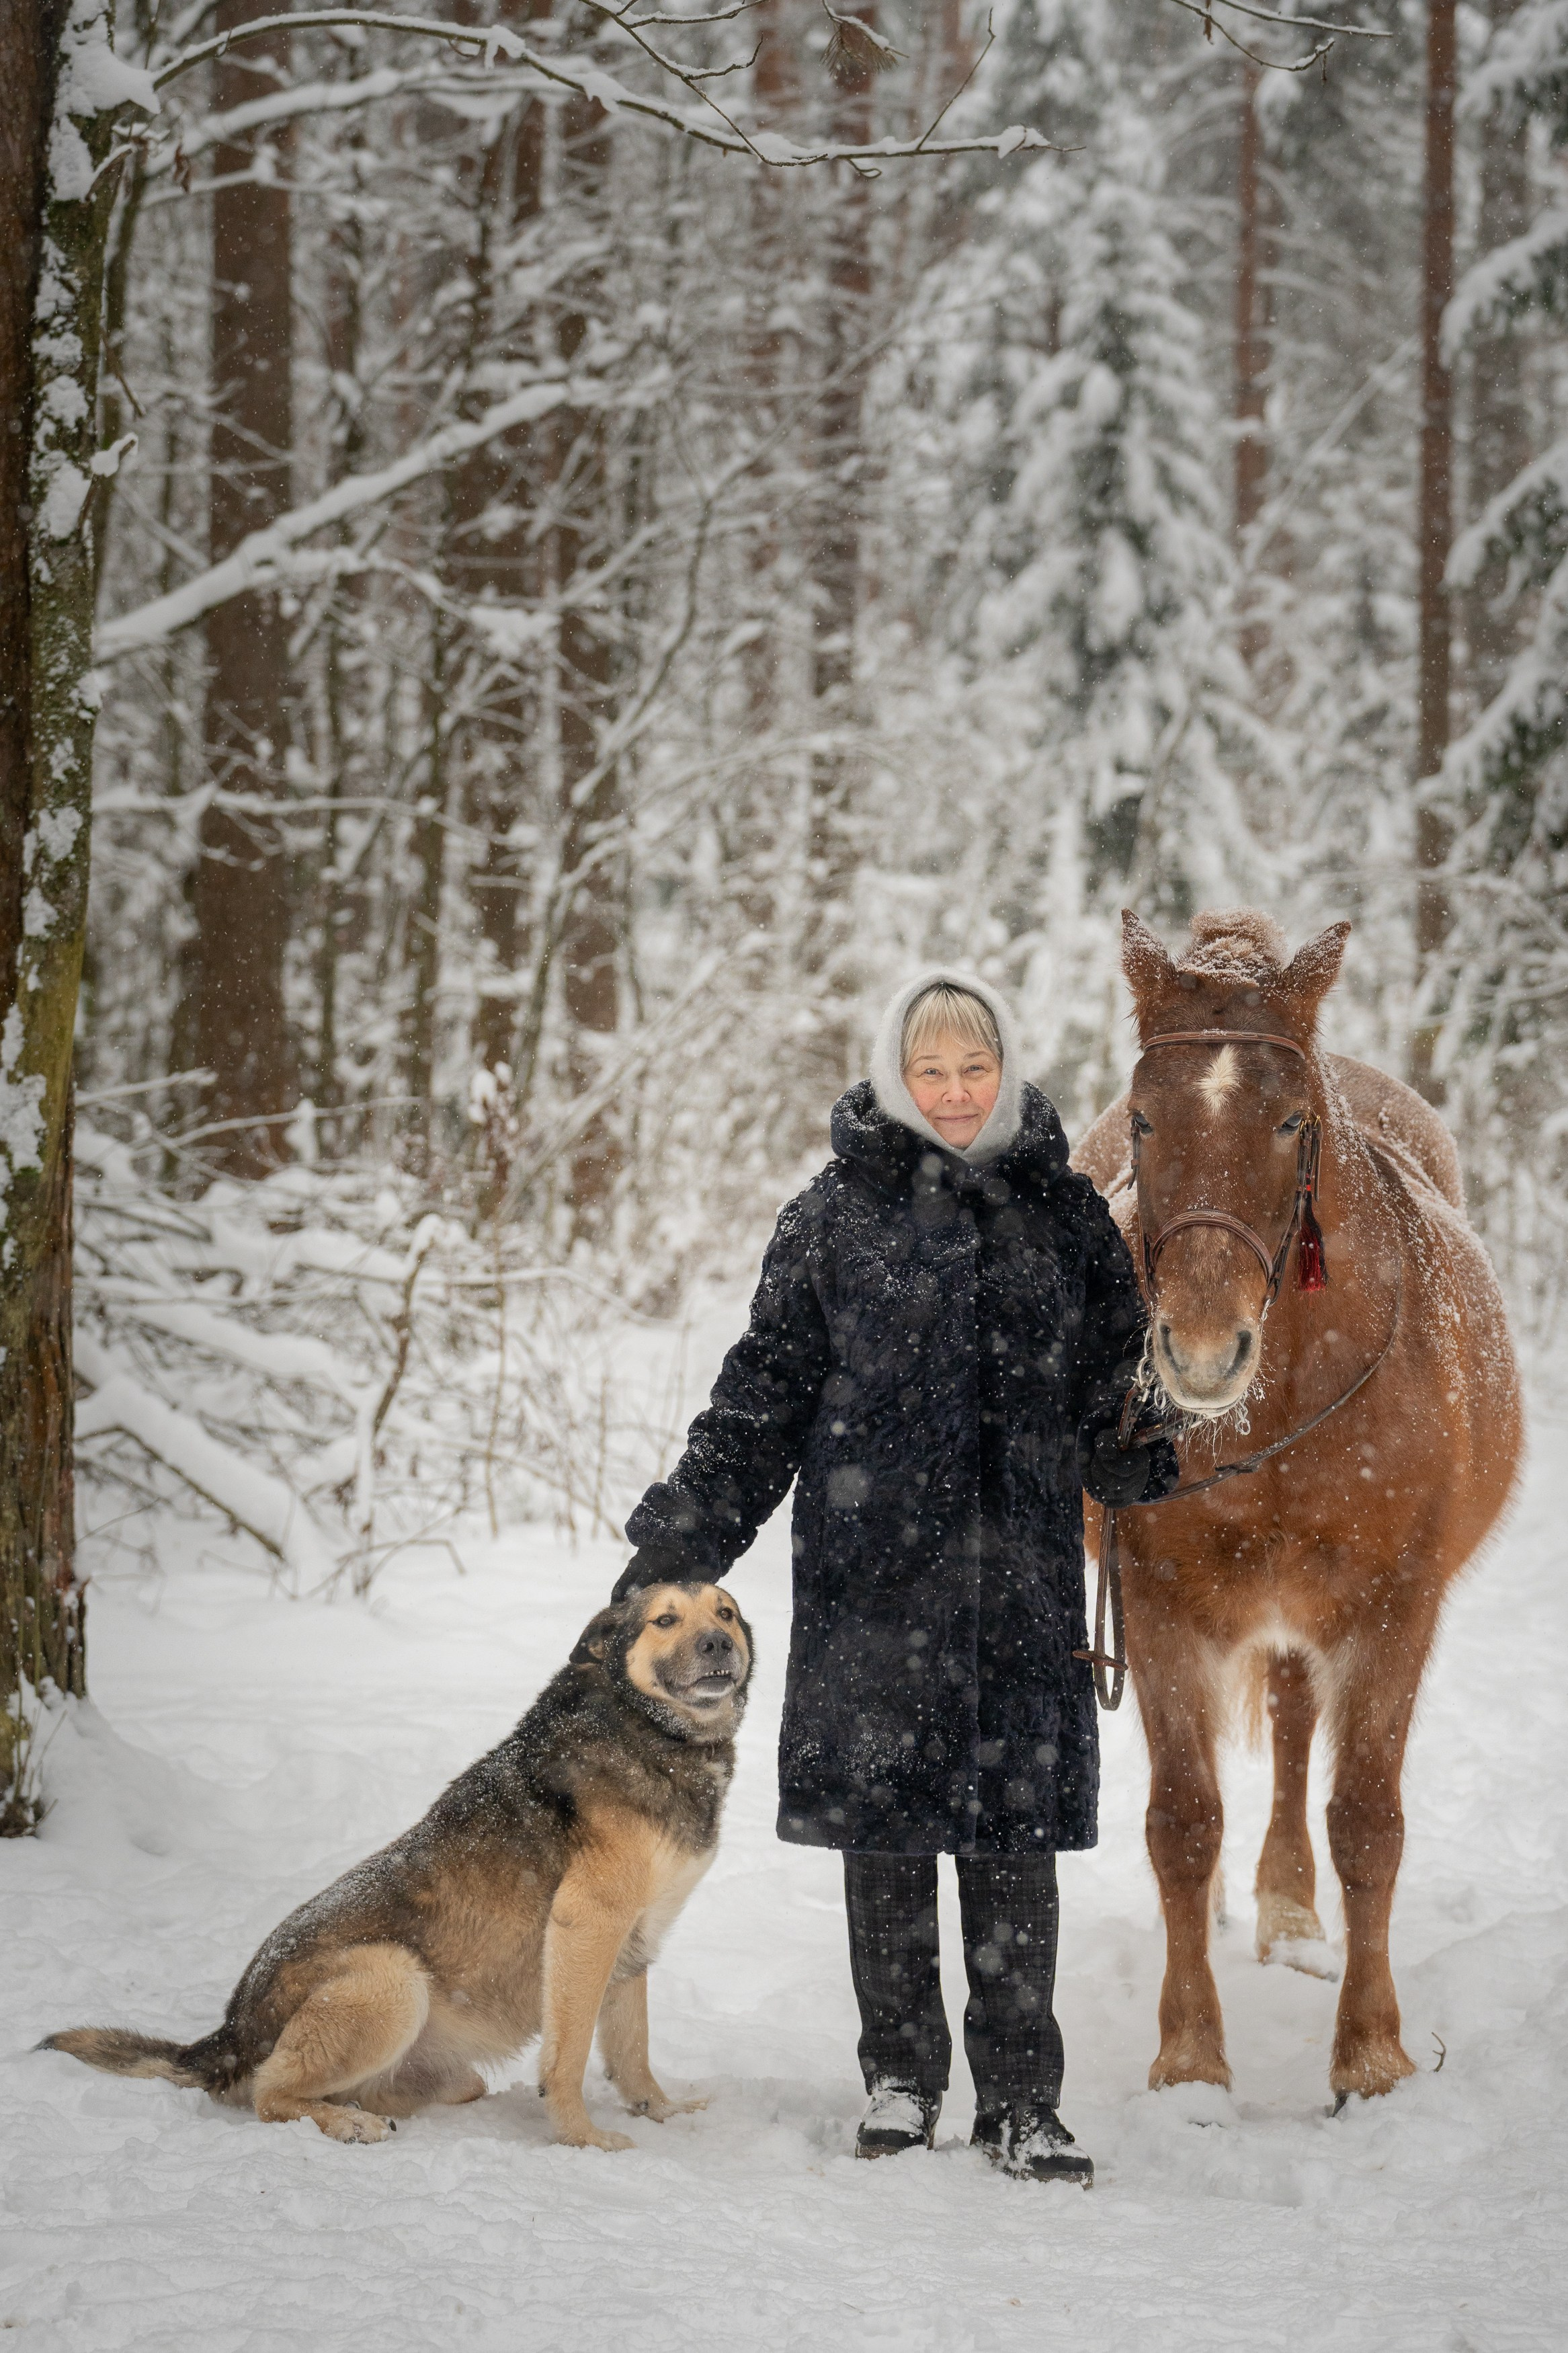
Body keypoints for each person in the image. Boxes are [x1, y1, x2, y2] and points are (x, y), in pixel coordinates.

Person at [613, 970, 1177, 2184]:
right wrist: (686, 1533)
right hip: (872, 1583)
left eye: (975, 1067)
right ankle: (902, 2080)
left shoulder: (1067, 1216)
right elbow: (762, 1394)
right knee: (886, 1838)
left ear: (1007, 1070)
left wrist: (1138, 1439)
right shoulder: (830, 1217)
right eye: (931, 1071)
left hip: (1020, 1580)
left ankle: (1021, 2102)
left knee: (1013, 1841)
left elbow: (1111, 1387)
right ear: (894, 1076)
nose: (955, 1092)